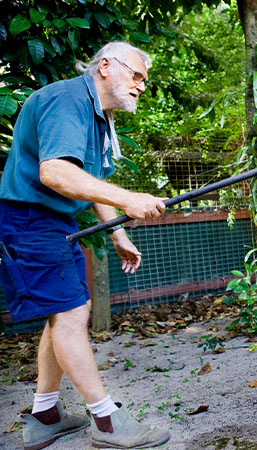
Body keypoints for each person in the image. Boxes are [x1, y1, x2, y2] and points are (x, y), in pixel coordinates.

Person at [0, 42, 170, 449]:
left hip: (55, 222)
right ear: (106, 65)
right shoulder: (67, 99)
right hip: (29, 220)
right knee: (71, 314)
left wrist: (118, 233)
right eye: (137, 75)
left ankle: (45, 415)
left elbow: (87, 183)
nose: (141, 85)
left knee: (64, 314)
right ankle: (107, 422)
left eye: (145, 80)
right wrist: (128, 198)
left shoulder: (97, 115)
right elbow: (56, 172)